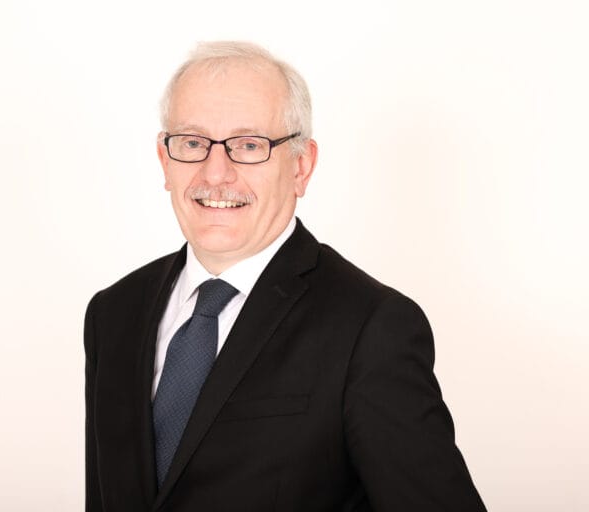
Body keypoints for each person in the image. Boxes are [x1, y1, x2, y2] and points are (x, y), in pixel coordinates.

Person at [84, 41, 486, 511]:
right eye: (192, 143)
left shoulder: (369, 328)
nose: (215, 173)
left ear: (300, 166)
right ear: (164, 160)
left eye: (249, 146)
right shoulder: (113, 314)